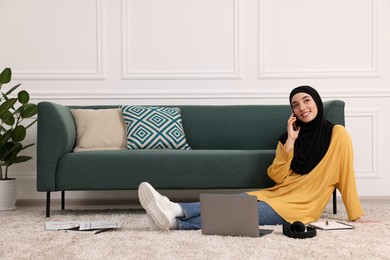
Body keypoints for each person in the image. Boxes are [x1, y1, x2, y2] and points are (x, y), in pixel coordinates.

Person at [138, 85, 366, 231]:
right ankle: (173, 214)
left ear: (316, 101)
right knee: (235, 200)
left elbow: (346, 176)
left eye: (307, 100)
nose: (302, 108)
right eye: (295, 105)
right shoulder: (288, 138)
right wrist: (290, 142)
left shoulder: (338, 134)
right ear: (292, 112)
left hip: (300, 208)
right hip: (277, 194)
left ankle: (174, 213)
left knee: (240, 215)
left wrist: (355, 215)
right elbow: (277, 177)